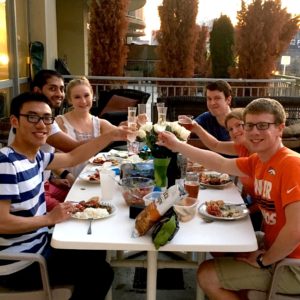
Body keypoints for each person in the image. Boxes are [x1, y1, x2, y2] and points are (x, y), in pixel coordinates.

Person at [158, 97, 300, 298]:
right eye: (249, 125)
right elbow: (221, 163)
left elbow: (296, 230)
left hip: (293, 266)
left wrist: (264, 260)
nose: (254, 132)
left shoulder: (292, 164)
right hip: (276, 249)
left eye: (263, 125)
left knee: (207, 275)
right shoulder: (258, 160)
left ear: (280, 128)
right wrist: (177, 145)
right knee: (227, 243)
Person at [0, 92, 130, 299]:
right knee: (101, 273)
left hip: (39, 245)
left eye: (46, 118)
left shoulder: (36, 157)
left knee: (96, 248)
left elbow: (71, 157)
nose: (42, 124)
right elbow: (2, 222)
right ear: (15, 121)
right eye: (32, 117)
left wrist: (112, 135)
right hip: (20, 264)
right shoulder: (6, 163)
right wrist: (49, 219)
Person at [55, 77, 117, 177]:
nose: (83, 101)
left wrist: (138, 124)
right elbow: (52, 159)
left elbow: (122, 133)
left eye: (86, 95)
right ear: (70, 100)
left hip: (92, 180)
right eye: (77, 97)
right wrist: (68, 177)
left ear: (92, 95)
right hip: (66, 181)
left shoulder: (100, 124)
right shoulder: (60, 122)